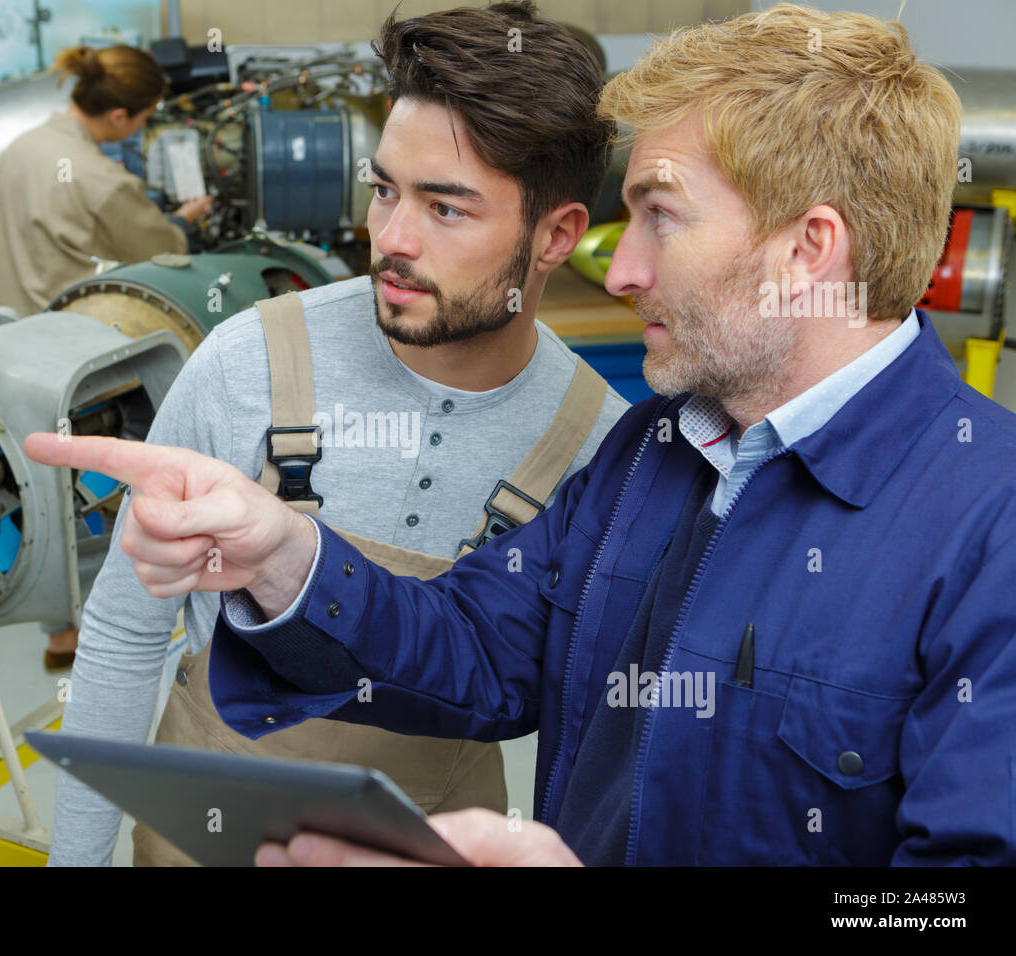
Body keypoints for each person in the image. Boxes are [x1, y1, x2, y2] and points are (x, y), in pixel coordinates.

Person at [24, 3, 1016, 866]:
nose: (620, 271)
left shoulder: (988, 527)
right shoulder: (654, 454)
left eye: (658, 218)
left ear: (807, 250)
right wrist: (285, 556)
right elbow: (473, 648)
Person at [43, 2, 628, 866]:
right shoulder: (250, 360)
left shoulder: (596, 443)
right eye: (385, 188)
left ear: (557, 237)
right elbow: (127, 632)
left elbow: (581, 719)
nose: (388, 239)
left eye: (447, 209)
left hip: (437, 838)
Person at [0, 43, 213, 668]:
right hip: (79, 357)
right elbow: (159, 245)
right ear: (119, 118)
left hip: (14, 352)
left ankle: (59, 629)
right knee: (107, 479)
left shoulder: (20, 150)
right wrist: (185, 222)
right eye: (142, 117)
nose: (141, 128)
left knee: (39, 484)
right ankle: (113, 623)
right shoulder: (99, 178)